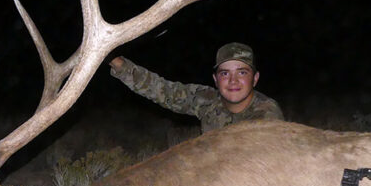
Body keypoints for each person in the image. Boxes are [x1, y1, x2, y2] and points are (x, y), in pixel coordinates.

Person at [109, 42, 283, 133]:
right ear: (215, 79)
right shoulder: (207, 100)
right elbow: (162, 89)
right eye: (224, 73)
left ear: (255, 78)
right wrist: (117, 62)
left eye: (242, 73)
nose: (233, 81)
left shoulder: (267, 114)